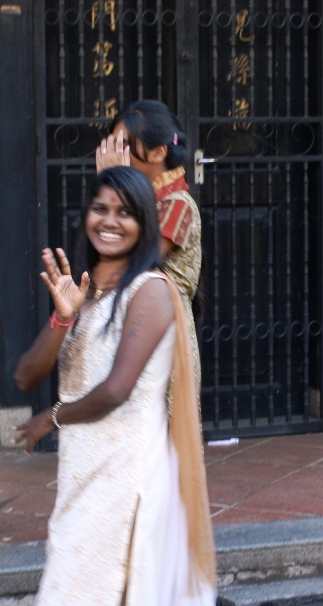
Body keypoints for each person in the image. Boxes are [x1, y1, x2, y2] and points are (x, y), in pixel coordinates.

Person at [15, 167, 216, 606]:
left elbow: (117, 390)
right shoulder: (87, 295)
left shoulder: (151, 293)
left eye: (124, 211)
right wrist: (61, 319)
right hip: (85, 478)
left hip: (128, 480)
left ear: (145, 223)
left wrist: (53, 417)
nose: (108, 219)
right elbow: (25, 375)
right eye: (99, 207)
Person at [96, 99, 203, 393]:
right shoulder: (145, 200)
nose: (114, 156)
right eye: (111, 145)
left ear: (158, 152)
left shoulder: (177, 204)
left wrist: (116, 185)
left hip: (164, 333)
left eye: (123, 147)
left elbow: (140, 260)